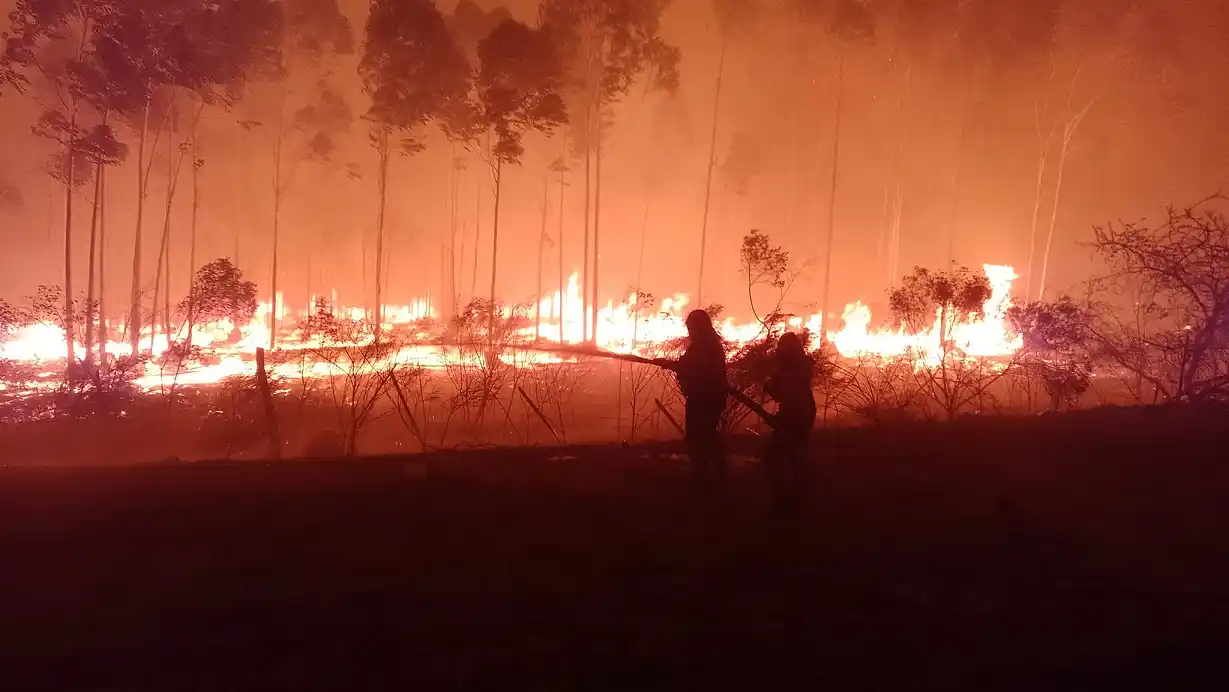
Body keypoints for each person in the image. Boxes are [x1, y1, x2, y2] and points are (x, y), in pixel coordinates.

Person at [659, 309, 729, 492]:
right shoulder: (706, 344)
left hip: (705, 397)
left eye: (691, 328)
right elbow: (690, 365)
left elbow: (699, 368)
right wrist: (674, 365)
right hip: (707, 396)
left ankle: (705, 478)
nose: (690, 332)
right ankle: (715, 475)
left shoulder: (706, 346)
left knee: (700, 437)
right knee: (705, 436)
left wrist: (678, 366)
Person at [763, 332, 817, 515]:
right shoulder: (797, 366)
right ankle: (796, 502)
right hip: (801, 413)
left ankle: (788, 504)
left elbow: (784, 394)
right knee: (794, 458)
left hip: (796, 415)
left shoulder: (793, 368)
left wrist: (770, 383)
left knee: (776, 457)